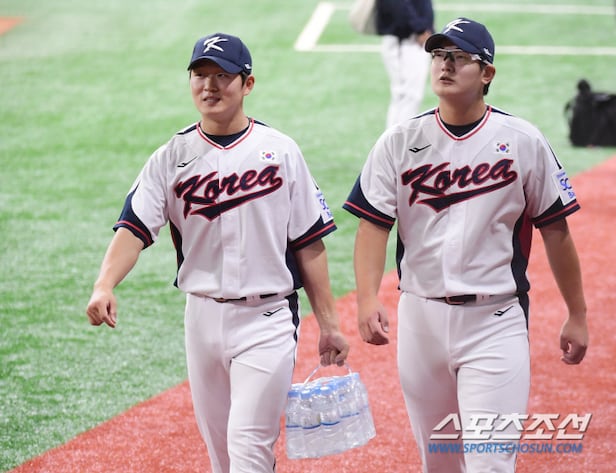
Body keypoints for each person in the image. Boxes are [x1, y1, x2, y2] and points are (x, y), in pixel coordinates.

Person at [86, 32, 350, 473]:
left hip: (267, 319)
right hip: (202, 318)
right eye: (200, 75)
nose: (209, 85)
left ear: (248, 84)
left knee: (248, 445)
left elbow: (309, 241)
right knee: (222, 456)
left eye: (222, 75)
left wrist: (329, 324)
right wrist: (104, 284)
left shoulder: (280, 152)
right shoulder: (171, 156)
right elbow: (134, 228)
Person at [343, 17, 588, 472]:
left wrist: (577, 313)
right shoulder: (400, 141)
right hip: (421, 319)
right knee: (439, 462)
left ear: (487, 73)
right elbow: (373, 225)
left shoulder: (522, 141)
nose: (445, 65)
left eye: (459, 57)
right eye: (439, 55)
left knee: (490, 464)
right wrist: (366, 299)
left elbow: (556, 230)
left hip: (495, 321)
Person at [376, 0, 434, 128]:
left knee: (404, 96)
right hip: (406, 39)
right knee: (409, 96)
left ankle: (394, 138)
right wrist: (419, 29)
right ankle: (401, 138)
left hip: (407, 37)